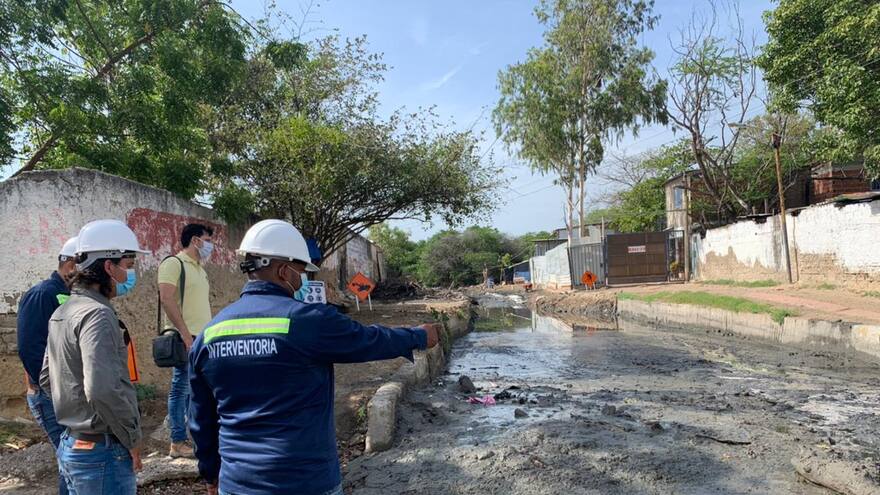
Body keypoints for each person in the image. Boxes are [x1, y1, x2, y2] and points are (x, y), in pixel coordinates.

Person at [188, 219, 440, 495]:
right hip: (304, 481)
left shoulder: (209, 334)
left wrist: (211, 473)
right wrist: (417, 336)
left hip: (237, 483)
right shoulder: (306, 321)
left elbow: (201, 417)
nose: (303, 278)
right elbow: (368, 340)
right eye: (301, 271)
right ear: (284, 270)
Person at [40, 219, 150, 494]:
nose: (129, 276)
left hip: (73, 444)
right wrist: (132, 438)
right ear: (109, 267)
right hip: (101, 451)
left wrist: (78, 413)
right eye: (128, 266)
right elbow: (101, 388)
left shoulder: (64, 310)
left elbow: (46, 378)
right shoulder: (98, 315)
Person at [16, 236, 78, 495]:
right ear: (71, 263)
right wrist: (52, 386)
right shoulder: (43, 294)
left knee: (73, 458)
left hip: (67, 391)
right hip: (50, 394)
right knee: (71, 458)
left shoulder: (69, 294)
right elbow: (30, 347)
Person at [157, 223, 214, 458]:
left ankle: (194, 438)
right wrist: (184, 333)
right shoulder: (174, 263)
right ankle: (177, 441)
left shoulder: (200, 269)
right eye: (207, 239)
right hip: (185, 337)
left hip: (201, 337)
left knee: (196, 390)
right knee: (180, 389)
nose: (210, 245)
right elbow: (167, 298)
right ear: (195, 240)